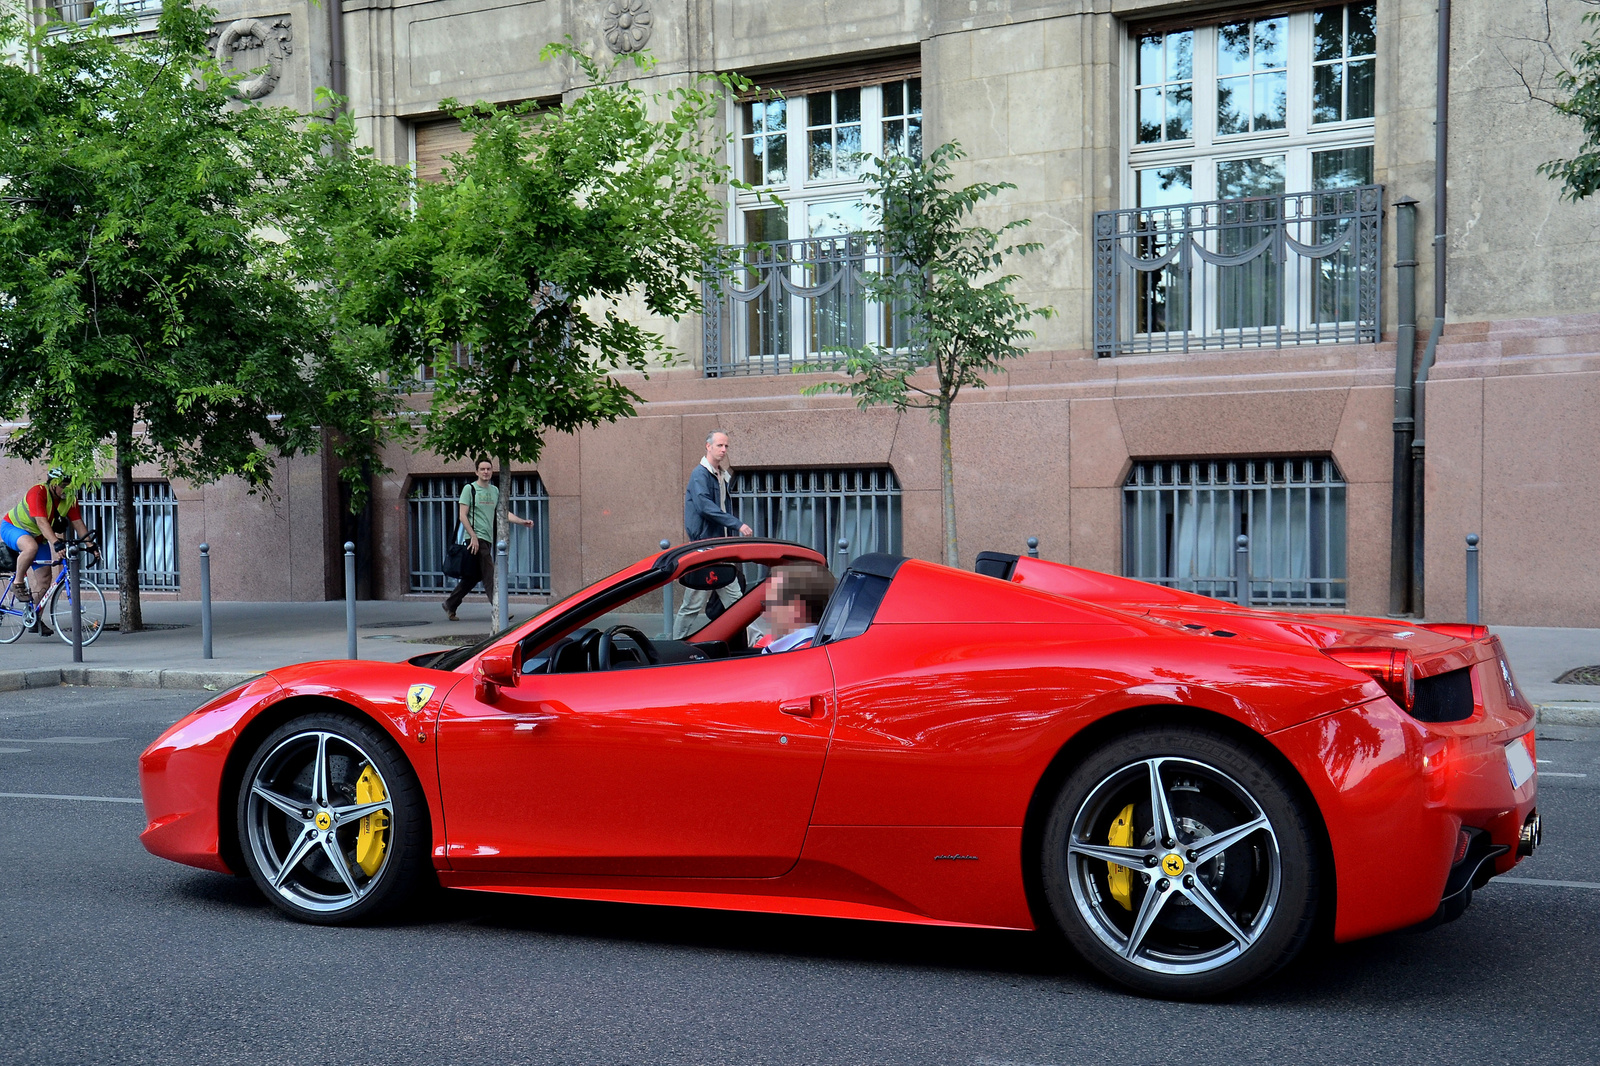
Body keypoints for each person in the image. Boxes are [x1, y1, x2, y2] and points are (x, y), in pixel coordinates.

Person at [673, 429, 753, 639]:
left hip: (717, 549)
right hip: (705, 550)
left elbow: (721, 507)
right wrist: (737, 524)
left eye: (726, 446)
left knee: (736, 600)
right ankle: (674, 643)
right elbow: (705, 507)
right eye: (719, 445)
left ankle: (754, 642)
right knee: (693, 603)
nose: (724, 449)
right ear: (708, 446)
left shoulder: (720, 475)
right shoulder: (700, 474)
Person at [443, 458, 535, 622]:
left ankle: (450, 604)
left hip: (487, 538)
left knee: (473, 576)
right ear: (476, 472)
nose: (485, 472)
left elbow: (503, 513)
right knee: (490, 573)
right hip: (474, 540)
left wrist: (522, 521)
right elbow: (462, 516)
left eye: (488, 469)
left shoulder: (494, 491)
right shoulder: (469, 489)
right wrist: (473, 536)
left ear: (492, 471)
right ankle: (500, 610)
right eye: (482, 469)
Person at [2, 468, 90, 636]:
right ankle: (17, 583)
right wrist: (56, 544)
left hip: (39, 536)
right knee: (30, 548)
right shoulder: (38, 492)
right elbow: (42, 522)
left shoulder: (68, 499)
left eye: (70, 486)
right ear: (54, 484)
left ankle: (34, 618)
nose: (67, 490)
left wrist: (91, 545)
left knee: (44, 580)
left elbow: (78, 523)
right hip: (13, 528)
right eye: (64, 486)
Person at [750, 564, 834, 654]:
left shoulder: (799, 654)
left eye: (770, 603)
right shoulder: (816, 645)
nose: (764, 614)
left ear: (795, 606)